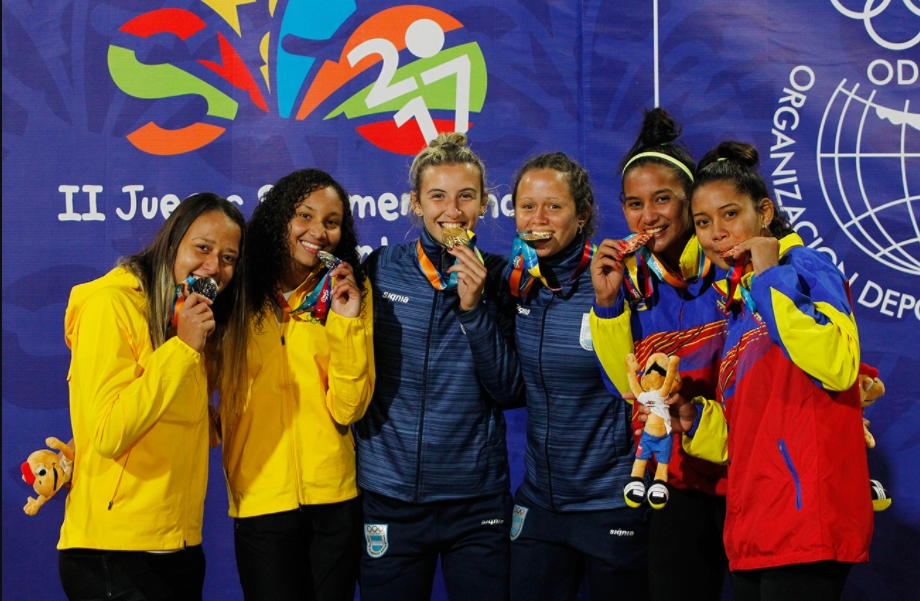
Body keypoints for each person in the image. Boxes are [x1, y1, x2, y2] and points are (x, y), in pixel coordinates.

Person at [676, 141, 872, 601]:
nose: (716, 233)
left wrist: (769, 277)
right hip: (753, 526)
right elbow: (749, 431)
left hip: (807, 519)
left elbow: (838, 365)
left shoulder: (805, 268)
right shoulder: (739, 304)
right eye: (703, 223)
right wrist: (694, 421)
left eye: (729, 215)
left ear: (764, 212)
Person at [57, 193, 248, 601]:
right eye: (203, 248)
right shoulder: (110, 305)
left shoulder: (185, 316)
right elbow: (109, 432)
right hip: (114, 555)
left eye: (229, 257)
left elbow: (172, 424)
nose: (214, 267)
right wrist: (181, 350)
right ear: (172, 240)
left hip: (177, 547)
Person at [356, 133, 519, 601]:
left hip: (476, 500)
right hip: (391, 495)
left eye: (466, 196)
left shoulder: (499, 277)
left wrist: (474, 309)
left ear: (484, 204)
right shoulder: (381, 268)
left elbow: (509, 390)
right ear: (416, 203)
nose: (453, 210)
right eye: (438, 196)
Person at [589, 108, 729, 600]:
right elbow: (622, 386)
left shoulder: (729, 266)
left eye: (662, 199)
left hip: (750, 471)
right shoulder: (628, 284)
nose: (647, 217)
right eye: (633, 204)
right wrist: (607, 305)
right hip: (680, 479)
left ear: (691, 202)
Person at [223, 169, 374, 601]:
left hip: (335, 498)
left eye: (331, 221)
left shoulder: (349, 292)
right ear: (278, 219)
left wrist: (346, 324)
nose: (318, 232)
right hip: (260, 499)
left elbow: (349, 408)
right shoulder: (239, 292)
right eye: (304, 216)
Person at [504, 153, 649, 601]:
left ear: (582, 214)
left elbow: (642, 386)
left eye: (553, 207)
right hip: (539, 502)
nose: (537, 220)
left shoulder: (617, 280)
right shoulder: (518, 283)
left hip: (611, 501)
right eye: (527, 207)